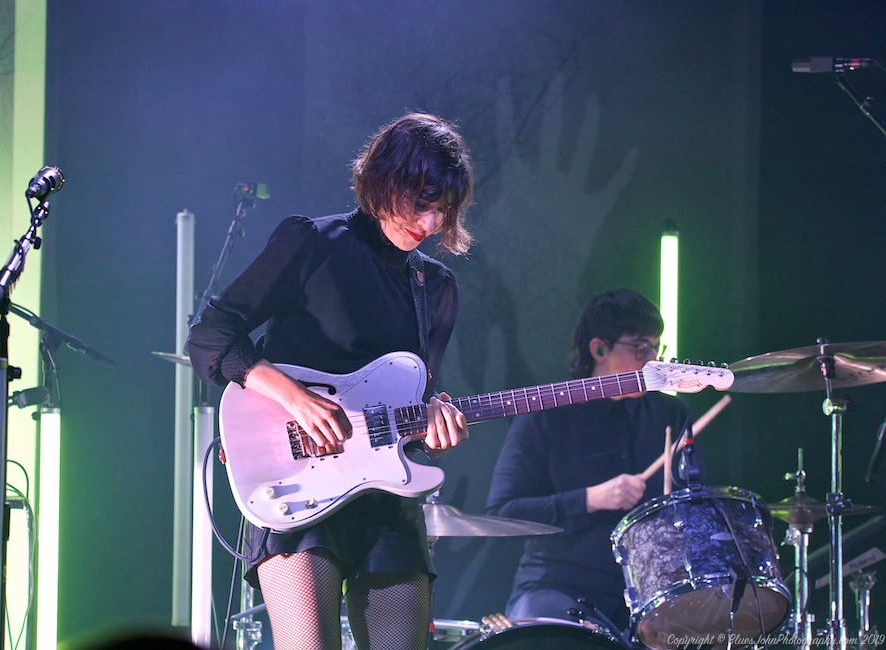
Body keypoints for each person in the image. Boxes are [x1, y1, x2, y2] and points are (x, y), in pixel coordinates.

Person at [187, 113, 474, 650]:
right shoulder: (312, 243)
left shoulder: (435, 287)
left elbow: (415, 402)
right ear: (384, 181)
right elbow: (209, 334)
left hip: (387, 503)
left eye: (443, 210)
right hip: (296, 490)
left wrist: (436, 425)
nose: (430, 223)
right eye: (421, 202)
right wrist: (291, 396)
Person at [485, 288, 693, 634]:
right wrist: (591, 500)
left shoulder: (671, 414)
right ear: (599, 349)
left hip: (646, 596)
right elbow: (501, 513)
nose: (652, 359)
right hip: (557, 587)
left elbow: (692, 509)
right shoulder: (546, 413)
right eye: (640, 347)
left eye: (657, 347)